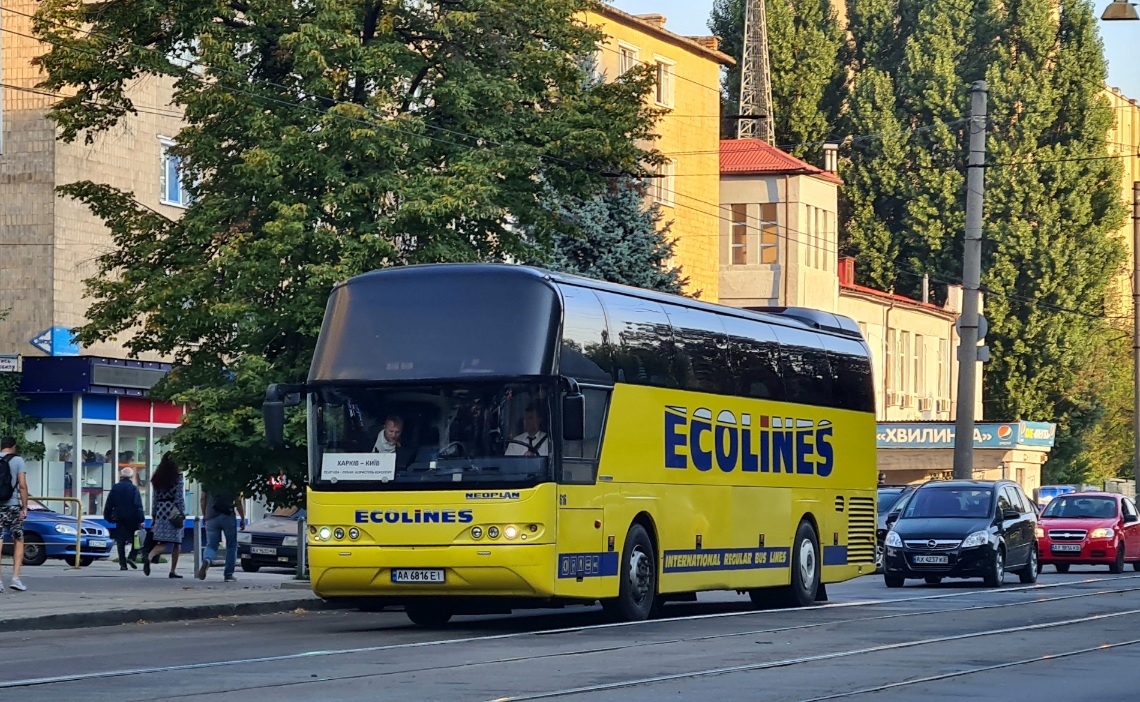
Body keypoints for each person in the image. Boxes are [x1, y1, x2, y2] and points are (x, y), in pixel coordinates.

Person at [144, 452, 186, 578]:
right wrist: (182, 513)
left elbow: (155, 498)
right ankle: (172, 570)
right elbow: (179, 497)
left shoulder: (157, 478)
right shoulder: (177, 477)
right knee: (176, 542)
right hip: (173, 511)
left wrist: (154, 515)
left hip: (161, 511)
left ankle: (150, 556)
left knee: (162, 540)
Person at [196, 486, 246, 582]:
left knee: (211, 544)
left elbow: (202, 499)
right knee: (231, 545)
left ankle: (207, 560)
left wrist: (205, 515)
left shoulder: (208, 479)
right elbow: (238, 501)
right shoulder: (232, 480)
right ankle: (228, 575)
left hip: (211, 516)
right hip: (228, 516)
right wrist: (242, 518)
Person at [0, 437, 29, 592]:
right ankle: (15, 579)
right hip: (12, 506)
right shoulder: (18, 460)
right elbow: (22, 485)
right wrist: (24, 507)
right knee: (18, 539)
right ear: (13, 446)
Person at [103, 467, 145, 570]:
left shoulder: (115, 488)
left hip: (120, 518)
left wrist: (107, 516)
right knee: (138, 539)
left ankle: (123, 564)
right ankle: (132, 556)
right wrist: (141, 518)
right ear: (131, 477)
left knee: (120, 541)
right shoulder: (134, 489)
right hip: (133, 518)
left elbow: (109, 504)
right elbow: (138, 505)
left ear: (121, 476)